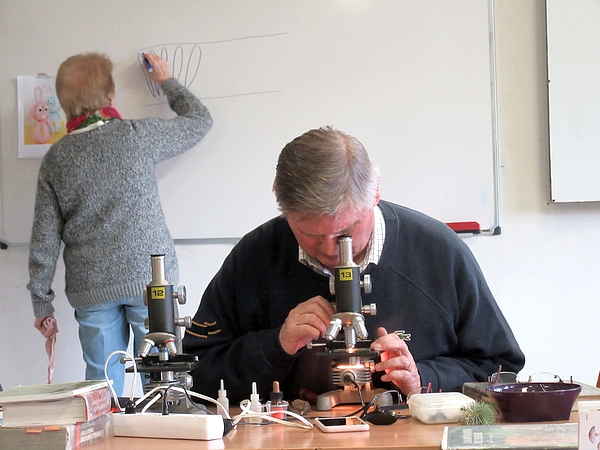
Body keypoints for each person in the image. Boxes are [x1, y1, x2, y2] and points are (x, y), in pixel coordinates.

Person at [182, 126, 524, 403]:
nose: (331, 250)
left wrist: (425, 379)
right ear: (284, 213)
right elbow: (197, 372)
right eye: (310, 235)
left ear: (374, 192)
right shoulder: (253, 258)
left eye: (346, 232)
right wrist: (275, 346)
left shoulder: (438, 252)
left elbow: (501, 369)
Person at [27, 52, 213, 395]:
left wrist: (42, 301)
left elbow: (44, 238)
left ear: (64, 104)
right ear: (111, 97)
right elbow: (200, 120)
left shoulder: (57, 159)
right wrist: (165, 81)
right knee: (163, 379)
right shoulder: (137, 135)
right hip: (151, 283)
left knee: (102, 385)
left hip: (91, 287)